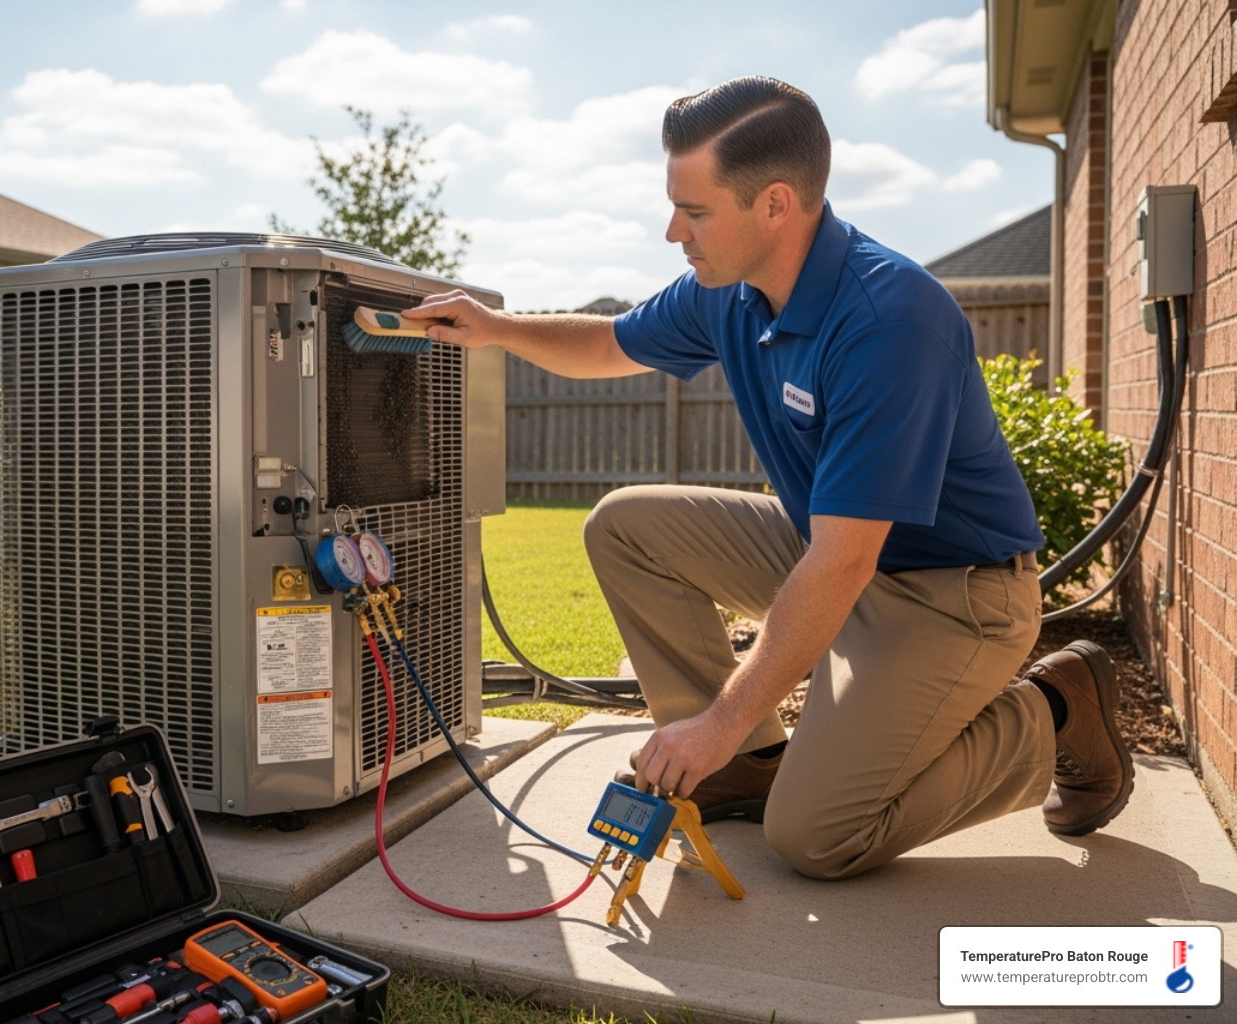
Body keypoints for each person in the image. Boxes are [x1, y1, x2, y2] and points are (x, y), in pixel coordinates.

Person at [402, 76, 1133, 880]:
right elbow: (612, 343)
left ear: (776, 204)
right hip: (839, 551)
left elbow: (845, 562)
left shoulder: (890, 321)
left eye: (696, 210)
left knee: (817, 839)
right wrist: (495, 328)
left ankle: (1057, 709)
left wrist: (719, 716)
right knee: (626, 525)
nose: (673, 229)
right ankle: (744, 765)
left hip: (952, 595)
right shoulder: (731, 293)